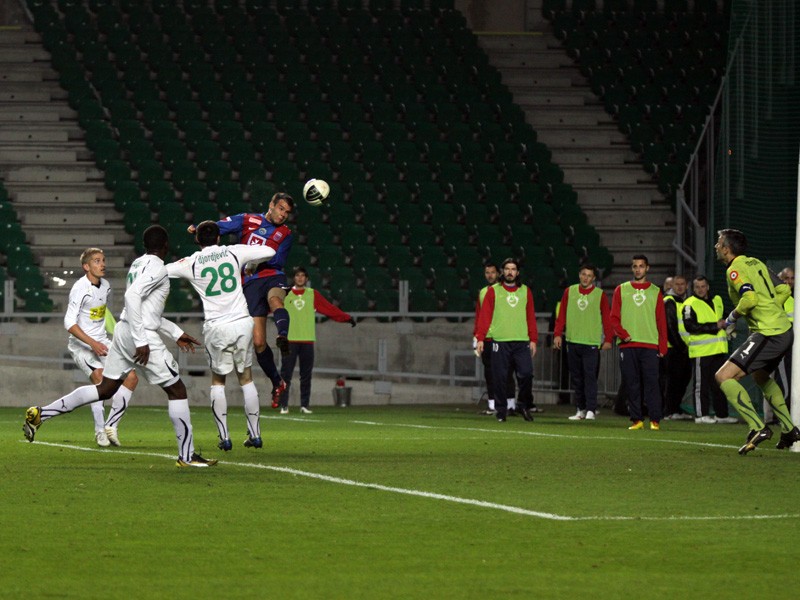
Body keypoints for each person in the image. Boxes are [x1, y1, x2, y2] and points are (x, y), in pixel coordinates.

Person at [23, 225, 216, 468]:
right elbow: (132, 298)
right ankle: (186, 456)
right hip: (139, 335)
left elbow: (147, 311)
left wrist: (175, 332)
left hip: (124, 331)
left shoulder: (137, 264)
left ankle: (41, 414)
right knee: (177, 389)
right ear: (166, 245)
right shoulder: (157, 267)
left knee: (105, 389)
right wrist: (141, 341)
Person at [167, 220, 279, 450]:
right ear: (219, 237)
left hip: (217, 326)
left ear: (197, 240)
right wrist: (252, 263)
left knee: (218, 381)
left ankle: (225, 437)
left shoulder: (192, 262)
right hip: (242, 322)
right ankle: (255, 434)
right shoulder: (233, 252)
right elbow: (270, 251)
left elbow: (164, 271)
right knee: (246, 378)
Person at [189, 192, 295, 410]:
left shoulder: (286, 233)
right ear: (271, 204)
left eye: (287, 212)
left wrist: (255, 261)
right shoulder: (248, 220)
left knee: (276, 300)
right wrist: (199, 229)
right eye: (281, 208)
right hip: (250, 283)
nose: (283, 215)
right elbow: (218, 228)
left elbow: (278, 260)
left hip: (272, 276)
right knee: (258, 342)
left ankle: (283, 335)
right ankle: (278, 382)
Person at [713, 229, 800, 454]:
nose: (716, 246)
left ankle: (758, 427)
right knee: (761, 376)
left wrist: (731, 318)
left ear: (727, 249)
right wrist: (771, 307)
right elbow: (783, 289)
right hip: (782, 329)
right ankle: (789, 429)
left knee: (723, 376)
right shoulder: (757, 263)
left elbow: (749, 298)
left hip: (769, 333)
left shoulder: (734, 269)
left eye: (719, 243)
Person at [65, 247, 138, 447]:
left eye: (103, 260)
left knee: (131, 377)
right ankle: (99, 432)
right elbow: (69, 323)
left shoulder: (105, 285)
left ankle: (111, 426)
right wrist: (92, 343)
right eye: (97, 261)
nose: (102, 264)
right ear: (86, 267)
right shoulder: (80, 288)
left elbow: (99, 315)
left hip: (102, 341)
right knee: (100, 379)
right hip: (81, 345)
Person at [278, 266, 356, 414]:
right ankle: (284, 405)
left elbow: (329, 308)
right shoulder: (285, 294)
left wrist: (346, 318)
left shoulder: (312, 294)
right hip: (289, 340)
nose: (300, 278)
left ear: (306, 279)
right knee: (286, 374)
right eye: (297, 275)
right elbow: (271, 306)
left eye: (303, 276)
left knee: (306, 376)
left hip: (307, 340)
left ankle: (304, 405)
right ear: (293, 278)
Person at [474, 258, 538, 422]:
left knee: (527, 374)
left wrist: (533, 339)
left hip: (521, 341)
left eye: (513, 269)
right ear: (502, 272)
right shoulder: (493, 291)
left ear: (518, 272)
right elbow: (485, 316)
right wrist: (480, 338)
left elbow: (530, 316)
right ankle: (501, 410)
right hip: (500, 341)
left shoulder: (525, 291)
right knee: (500, 377)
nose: (510, 272)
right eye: (507, 269)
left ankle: (522, 404)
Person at [610, 254, 668, 430]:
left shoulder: (655, 291)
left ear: (647, 268)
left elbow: (661, 320)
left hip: (650, 344)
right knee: (631, 383)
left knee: (652, 383)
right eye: (635, 266)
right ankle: (637, 420)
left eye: (641, 266)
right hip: (628, 345)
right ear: (631, 268)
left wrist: (663, 345)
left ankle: (655, 420)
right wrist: (623, 334)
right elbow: (613, 318)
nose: (638, 269)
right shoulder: (621, 289)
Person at [553, 263, 613, 421]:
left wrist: (608, 339)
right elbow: (562, 315)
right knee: (576, 378)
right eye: (584, 274)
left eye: (589, 275)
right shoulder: (569, 291)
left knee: (590, 377)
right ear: (579, 275)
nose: (586, 278)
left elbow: (607, 319)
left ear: (593, 278)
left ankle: (591, 409)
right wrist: (557, 334)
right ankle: (580, 409)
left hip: (591, 343)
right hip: (572, 341)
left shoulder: (599, 295)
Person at [682, 275, 738, 424]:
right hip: (701, 351)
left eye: (703, 286)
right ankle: (701, 415)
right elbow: (690, 326)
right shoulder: (689, 304)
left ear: (708, 287)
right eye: (697, 287)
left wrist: (729, 325)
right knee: (701, 385)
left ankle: (722, 415)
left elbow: (724, 317)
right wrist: (715, 326)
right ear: (693, 289)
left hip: (718, 349)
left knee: (720, 383)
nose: (700, 289)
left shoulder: (717, 300)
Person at [473, 262, 516, 416]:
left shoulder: (505, 291)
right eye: (487, 272)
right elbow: (479, 315)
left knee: (507, 372)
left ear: (499, 273)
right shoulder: (483, 292)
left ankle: (510, 405)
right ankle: (492, 405)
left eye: (492, 272)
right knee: (490, 373)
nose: (490, 275)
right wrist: (477, 336)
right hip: (487, 339)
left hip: (503, 337)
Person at [662, 275, 693, 420]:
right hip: (674, 348)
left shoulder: (685, 301)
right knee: (673, 381)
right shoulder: (669, 301)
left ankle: (675, 409)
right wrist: (681, 346)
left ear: (686, 286)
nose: (680, 287)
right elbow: (670, 327)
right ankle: (669, 411)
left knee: (682, 380)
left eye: (682, 284)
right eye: (677, 284)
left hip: (683, 347)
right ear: (672, 286)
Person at [767, 266, 794, 423]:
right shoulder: (776, 297)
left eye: (792, 278)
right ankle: (781, 416)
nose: (789, 281)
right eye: (785, 278)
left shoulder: (794, 297)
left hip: (793, 349)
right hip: (782, 347)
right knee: (784, 383)